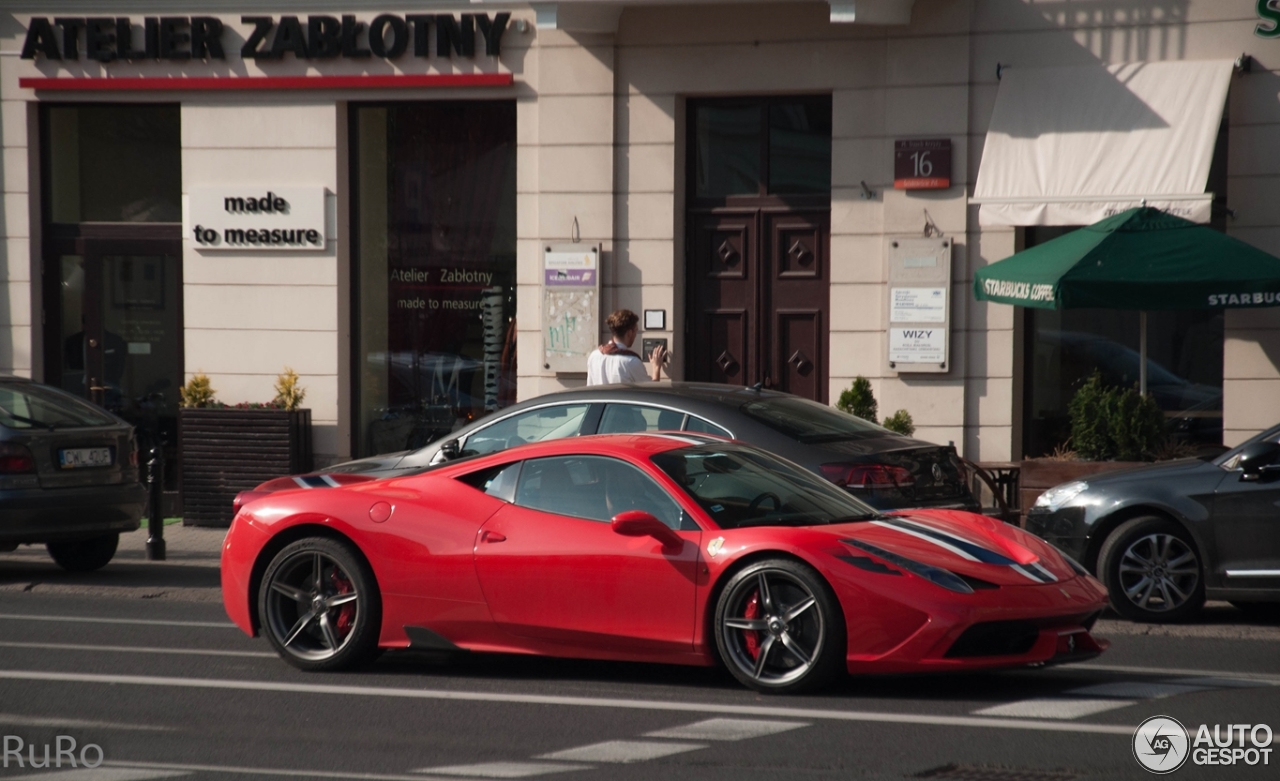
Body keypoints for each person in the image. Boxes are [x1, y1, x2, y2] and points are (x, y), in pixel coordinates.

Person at [586, 309, 667, 385]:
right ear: (629, 333)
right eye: (636, 331)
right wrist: (656, 367)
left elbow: (590, 389)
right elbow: (650, 391)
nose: (635, 335)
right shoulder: (631, 362)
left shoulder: (594, 356)